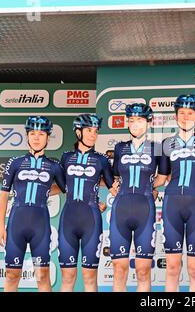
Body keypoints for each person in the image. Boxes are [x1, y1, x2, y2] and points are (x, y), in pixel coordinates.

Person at [154, 94, 195, 292]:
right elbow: (162, 177)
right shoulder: (166, 143)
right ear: (176, 116)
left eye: (190, 113)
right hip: (172, 204)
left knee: (194, 269)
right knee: (172, 268)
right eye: (182, 113)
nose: (186, 117)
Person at [0, 116, 66, 292]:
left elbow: (70, 189)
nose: (36, 137)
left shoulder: (54, 166)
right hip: (15, 224)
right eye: (32, 133)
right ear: (27, 136)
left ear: (47, 138)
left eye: (41, 134)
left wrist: (45, 191)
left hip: (40, 225)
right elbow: (4, 195)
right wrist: (0, 226)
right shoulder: (15, 162)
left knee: (42, 276)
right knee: (12, 275)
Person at [57, 114, 113, 292]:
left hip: (92, 220)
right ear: (78, 132)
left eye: (96, 131)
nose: (93, 135)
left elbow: (114, 186)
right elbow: (58, 185)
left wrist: (149, 187)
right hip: (68, 220)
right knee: (67, 277)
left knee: (89, 278)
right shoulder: (65, 157)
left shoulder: (102, 159)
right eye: (89, 130)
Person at [109, 103, 160, 292]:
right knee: (119, 269)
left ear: (148, 122)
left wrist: (149, 189)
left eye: (140, 120)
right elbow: (114, 177)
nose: (135, 124)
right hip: (121, 209)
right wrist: (115, 190)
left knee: (143, 270)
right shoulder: (120, 148)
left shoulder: (157, 148)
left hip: (145, 209)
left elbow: (163, 176)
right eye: (131, 120)